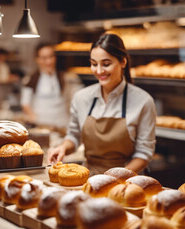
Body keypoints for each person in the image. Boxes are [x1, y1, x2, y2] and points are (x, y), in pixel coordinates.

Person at [47, 34, 156, 175]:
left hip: (126, 182)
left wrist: (118, 176)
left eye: (106, 64)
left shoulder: (143, 101)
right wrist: (62, 147)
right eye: (94, 64)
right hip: (89, 179)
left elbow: (144, 153)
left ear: (123, 62)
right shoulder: (82, 98)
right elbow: (74, 136)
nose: (99, 71)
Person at [20, 42, 82, 128]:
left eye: (51, 57)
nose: (48, 61)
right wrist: (34, 119)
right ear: (37, 59)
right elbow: (25, 103)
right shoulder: (30, 79)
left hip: (62, 125)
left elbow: (75, 97)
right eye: (44, 58)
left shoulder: (65, 78)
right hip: (41, 125)